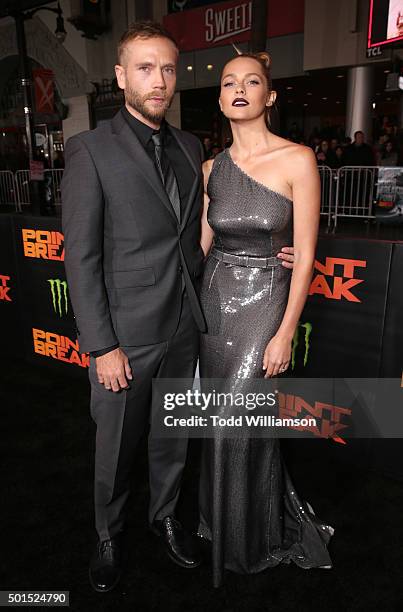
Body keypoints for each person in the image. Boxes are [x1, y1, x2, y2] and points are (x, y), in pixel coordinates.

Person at [61, 20, 298, 593]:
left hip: (188, 325)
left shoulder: (193, 148)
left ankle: (165, 518)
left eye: (168, 68)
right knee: (115, 448)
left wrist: (272, 250)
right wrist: (102, 345)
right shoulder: (90, 150)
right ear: (120, 76)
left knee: (172, 437)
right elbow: (81, 257)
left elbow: (202, 234)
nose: (159, 80)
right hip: (125, 334)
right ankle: (109, 536)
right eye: (145, 68)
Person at [197, 52, 333, 587]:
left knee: (239, 419)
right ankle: (222, 523)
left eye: (252, 81)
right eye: (229, 82)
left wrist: (285, 331)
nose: (239, 89)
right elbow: (200, 249)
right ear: (220, 98)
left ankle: (251, 537)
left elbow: (306, 258)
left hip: (266, 303)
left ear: (269, 96)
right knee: (220, 424)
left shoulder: (299, 159)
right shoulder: (211, 168)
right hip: (215, 301)